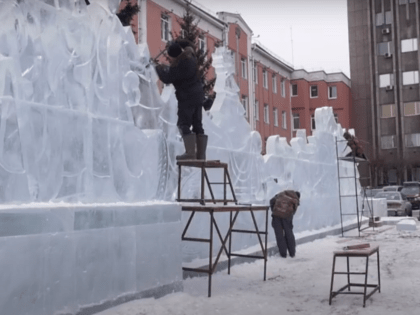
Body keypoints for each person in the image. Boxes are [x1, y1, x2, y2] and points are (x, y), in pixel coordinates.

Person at [155, 39, 208, 160]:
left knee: (183, 124)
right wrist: (177, 42)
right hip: (198, 96)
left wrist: (157, 68)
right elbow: (188, 44)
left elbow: (168, 78)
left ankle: (190, 153)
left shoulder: (180, 64)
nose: (171, 60)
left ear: (175, 56)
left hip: (187, 98)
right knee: (197, 124)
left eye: (171, 57)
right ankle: (201, 154)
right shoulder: (190, 58)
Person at [270, 190, 300, 258]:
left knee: (279, 234)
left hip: (276, 215)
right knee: (289, 233)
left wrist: (274, 210)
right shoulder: (295, 199)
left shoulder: (282, 193)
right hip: (287, 216)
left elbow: (272, 201)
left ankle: (283, 254)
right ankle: (292, 253)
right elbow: (293, 211)